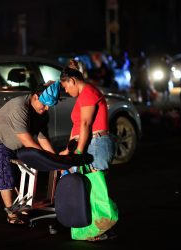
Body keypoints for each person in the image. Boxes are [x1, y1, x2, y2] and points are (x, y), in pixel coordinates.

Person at [0, 81, 60, 225]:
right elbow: (27, 141)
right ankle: (12, 214)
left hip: (16, 143)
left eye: (50, 105)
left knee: (23, 173)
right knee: (5, 174)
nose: (47, 108)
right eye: (44, 104)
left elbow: (42, 138)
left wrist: (56, 160)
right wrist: (47, 158)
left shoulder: (42, 113)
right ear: (35, 97)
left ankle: (22, 206)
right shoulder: (19, 107)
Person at [59, 59, 117, 240]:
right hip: (89, 144)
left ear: (73, 81)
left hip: (96, 144)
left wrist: (77, 153)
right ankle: (95, 228)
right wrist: (69, 150)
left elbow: (85, 124)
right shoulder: (82, 96)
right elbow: (77, 127)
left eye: (66, 86)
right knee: (89, 188)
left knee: (94, 188)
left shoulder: (88, 93)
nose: (66, 91)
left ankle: (99, 229)